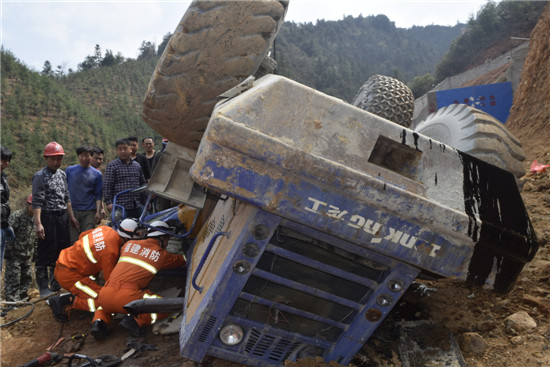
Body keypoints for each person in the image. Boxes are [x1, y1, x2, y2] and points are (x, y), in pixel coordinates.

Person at [94, 220, 186, 339]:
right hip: (128, 298)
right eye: (167, 239)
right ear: (162, 238)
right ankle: (135, 320)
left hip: (105, 294)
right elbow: (182, 261)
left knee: (105, 306)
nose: (168, 243)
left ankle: (98, 322)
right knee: (165, 306)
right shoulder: (161, 254)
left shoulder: (128, 244)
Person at [47, 218, 141, 325]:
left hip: (65, 264)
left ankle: (81, 293)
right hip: (70, 275)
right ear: (127, 238)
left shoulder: (106, 229)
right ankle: (66, 300)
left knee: (99, 291)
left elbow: (82, 235)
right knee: (103, 300)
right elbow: (110, 283)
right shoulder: (110, 252)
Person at [32, 141, 79, 297]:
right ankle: (43, 289)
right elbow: (37, 201)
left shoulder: (62, 174)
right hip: (47, 216)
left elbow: (66, 197)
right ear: (46, 158)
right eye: (53, 159)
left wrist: (71, 217)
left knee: (60, 250)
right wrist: (38, 223)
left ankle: (56, 284)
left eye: (59, 159)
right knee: (46, 250)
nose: (56, 162)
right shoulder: (40, 176)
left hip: (62, 216)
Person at [3, 195, 36, 307]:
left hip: (27, 255)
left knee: (26, 279)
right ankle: (12, 304)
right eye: (33, 205)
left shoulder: (37, 219)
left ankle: (22, 301)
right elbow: (8, 234)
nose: (35, 207)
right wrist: (8, 250)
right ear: (28, 204)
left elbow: (36, 237)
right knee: (13, 280)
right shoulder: (17, 216)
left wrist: (35, 253)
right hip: (15, 255)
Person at [65, 145, 103, 243]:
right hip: (72, 210)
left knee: (86, 240)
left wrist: (98, 211)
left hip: (89, 211)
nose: (83, 158)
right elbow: (65, 191)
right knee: (73, 240)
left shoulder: (97, 174)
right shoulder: (70, 170)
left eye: (86, 156)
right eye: (81, 156)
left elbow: (98, 195)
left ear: (91, 157)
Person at [103, 138, 147, 220]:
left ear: (130, 149)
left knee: (148, 221)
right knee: (118, 227)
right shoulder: (112, 166)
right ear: (116, 150)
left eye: (125, 148)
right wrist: (109, 203)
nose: (123, 151)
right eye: (120, 149)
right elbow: (107, 186)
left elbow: (143, 183)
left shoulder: (136, 165)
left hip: (136, 204)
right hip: (120, 205)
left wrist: (146, 200)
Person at [1, 146, 14, 273]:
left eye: (6, 161)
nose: (4, 163)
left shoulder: (3, 178)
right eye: (2, 160)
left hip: (3, 224)